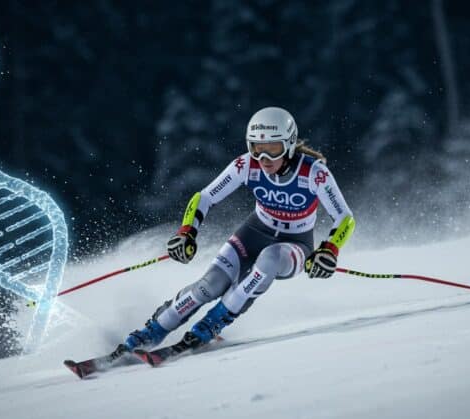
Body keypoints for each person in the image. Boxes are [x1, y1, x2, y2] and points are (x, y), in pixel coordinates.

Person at [122, 106, 355, 354]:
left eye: (273, 149)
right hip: (254, 233)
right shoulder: (246, 165)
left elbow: (344, 218)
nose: (264, 158)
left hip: (295, 245)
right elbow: (204, 197)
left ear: (288, 145)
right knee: (210, 285)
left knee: (270, 258)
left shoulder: (313, 173)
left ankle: (210, 325)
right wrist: (186, 232)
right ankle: (153, 330)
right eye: (256, 147)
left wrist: (329, 251)